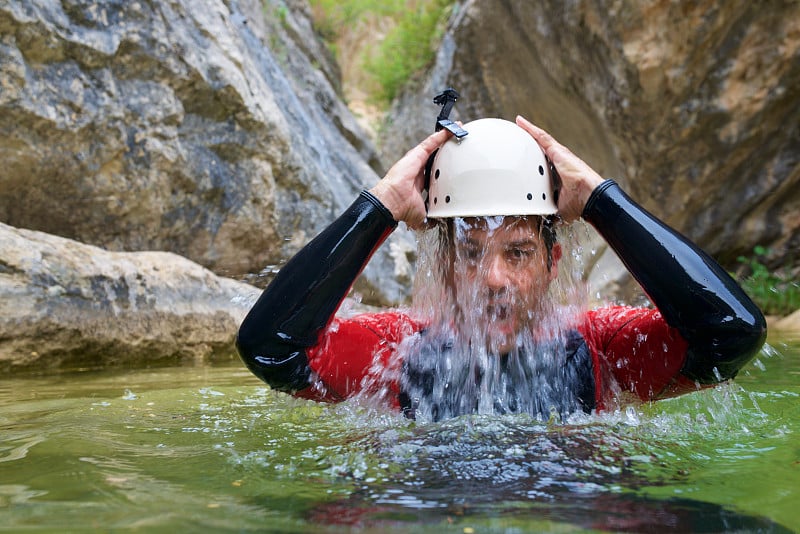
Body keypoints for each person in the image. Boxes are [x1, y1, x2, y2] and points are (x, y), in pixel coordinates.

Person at [235, 114, 767, 422]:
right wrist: (383, 203)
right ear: (444, 266)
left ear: (552, 262)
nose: (493, 280)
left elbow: (731, 334)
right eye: (469, 253)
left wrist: (601, 200)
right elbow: (271, 350)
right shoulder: (394, 353)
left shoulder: (602, 349)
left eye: (517, 253)